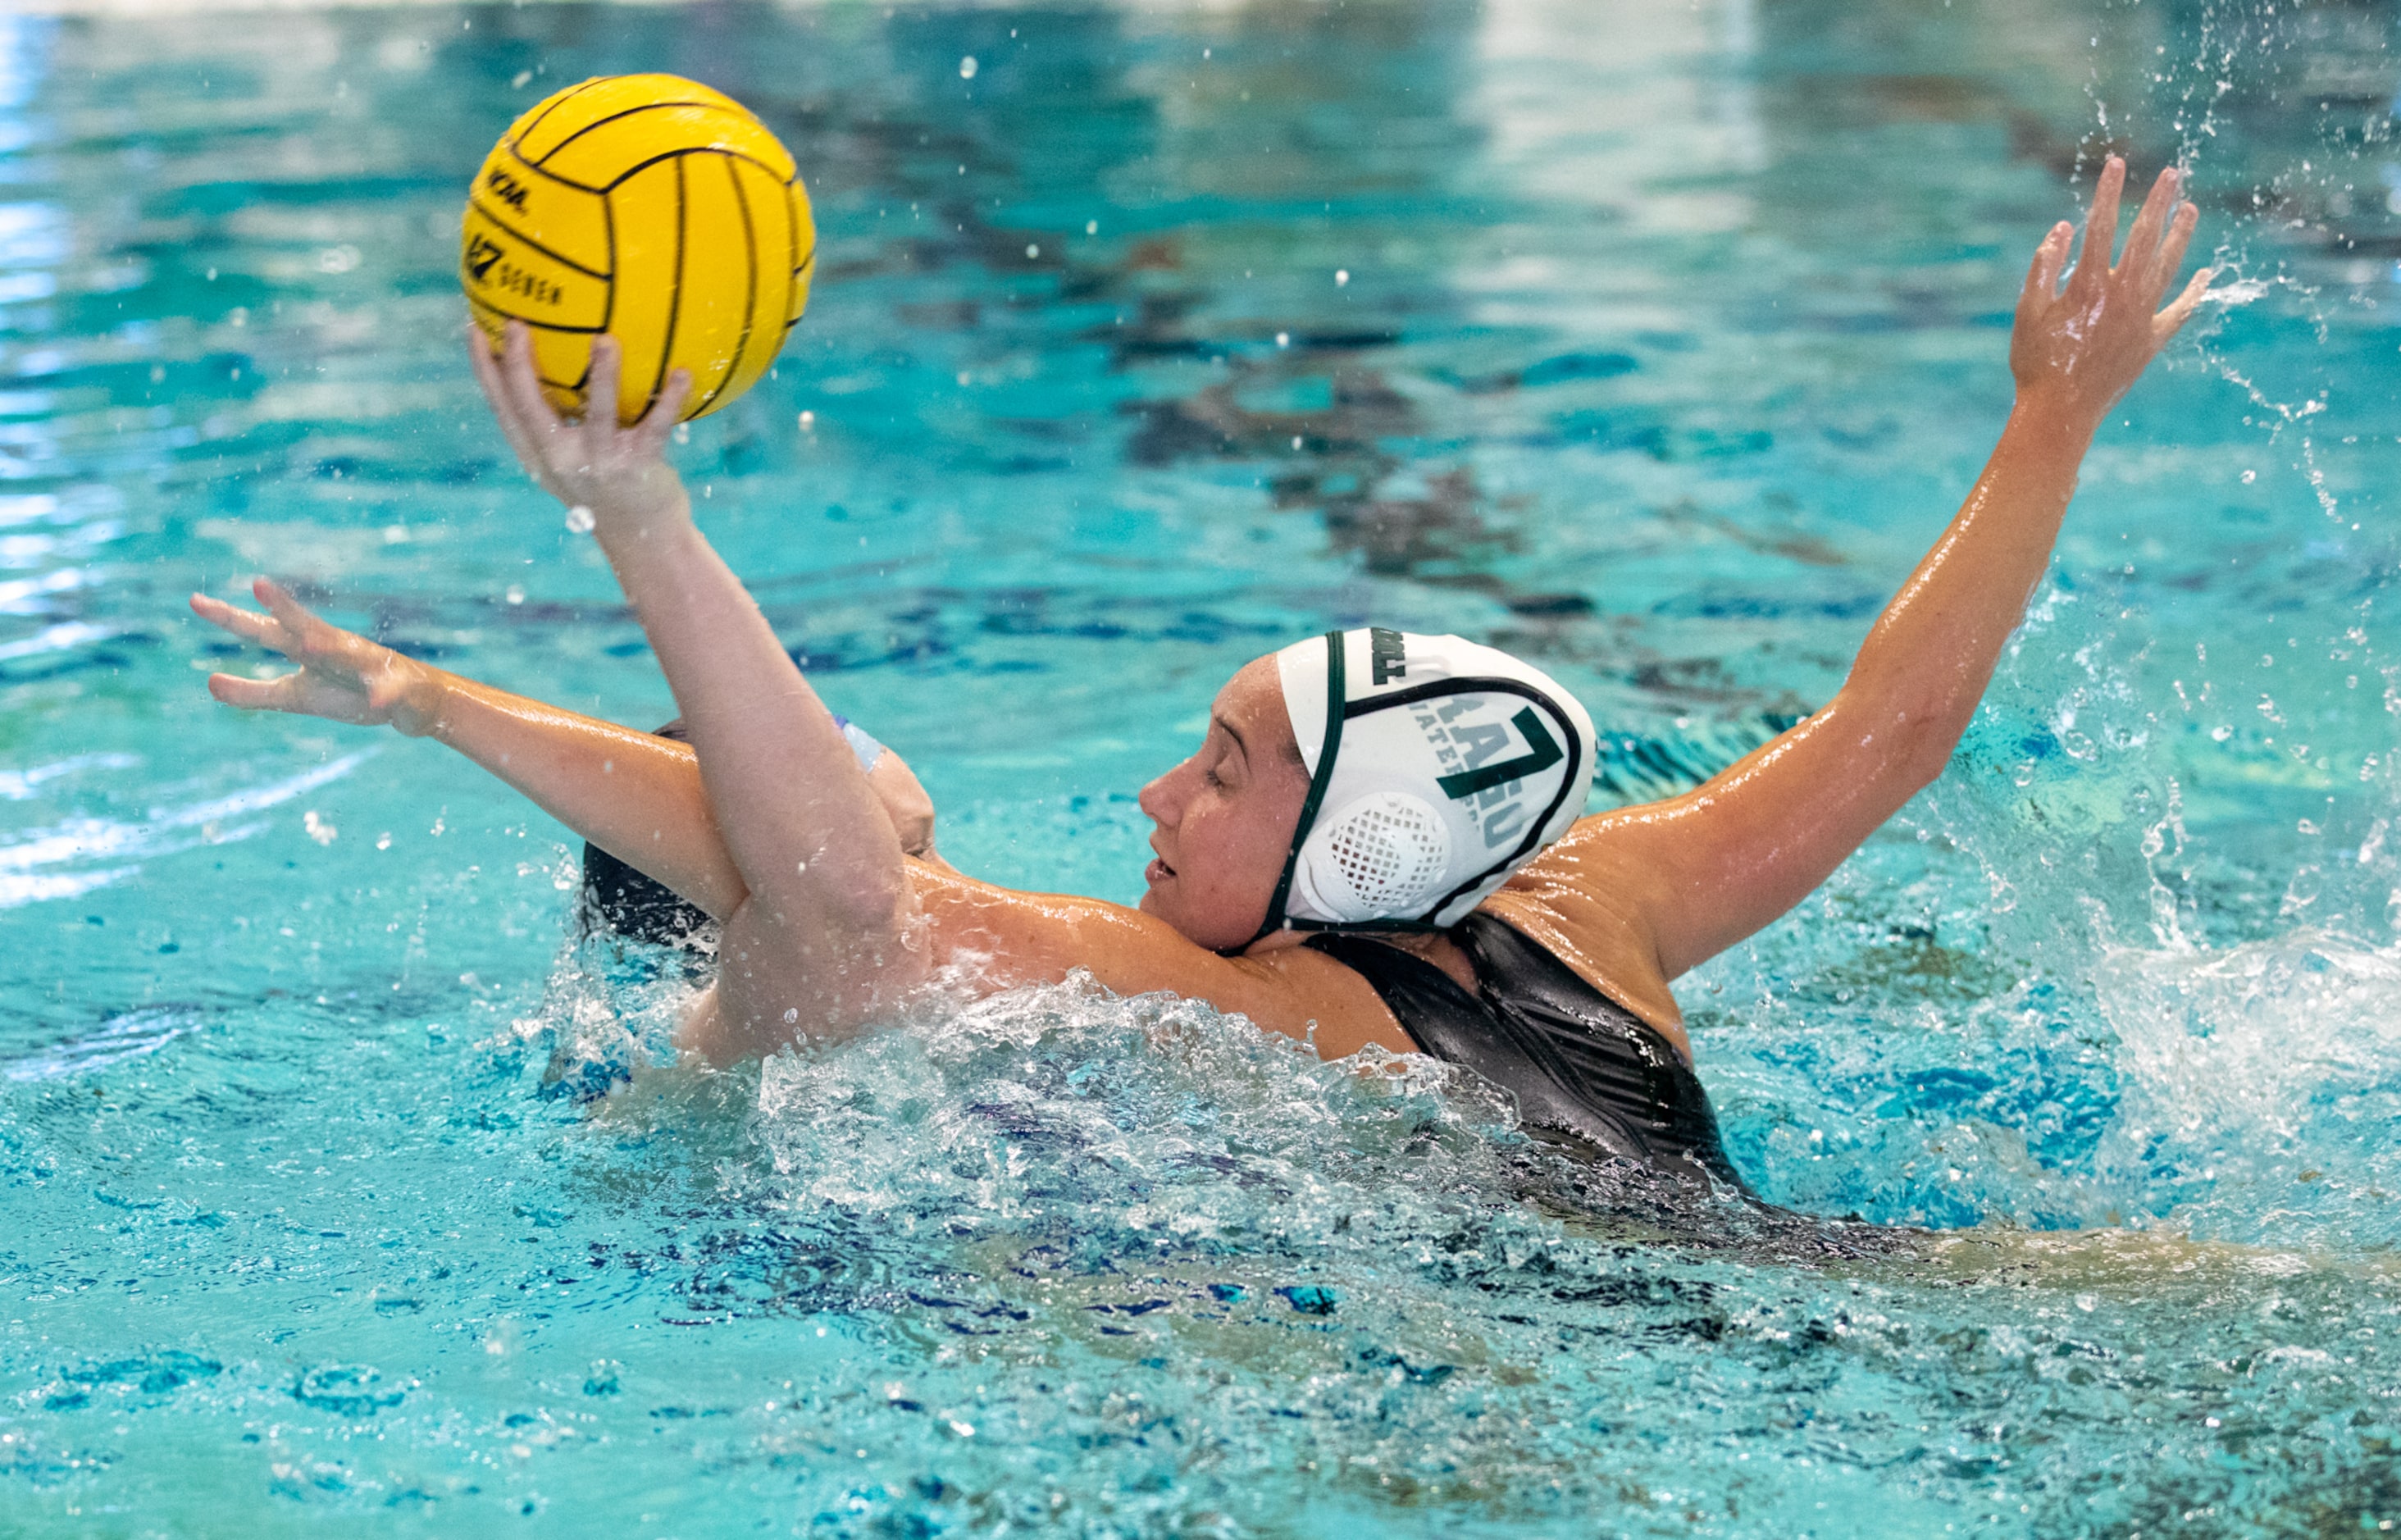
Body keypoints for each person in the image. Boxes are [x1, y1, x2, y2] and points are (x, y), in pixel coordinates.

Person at [190, 158, 2210, 1193]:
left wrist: (612, 536)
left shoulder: (1233, 1002)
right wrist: (2051, 424)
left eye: (1225, 767)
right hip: (1820, 1288)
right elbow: (1891, 734)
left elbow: (831, 884)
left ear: (1361, 843)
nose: (1158, 798)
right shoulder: (1589, 907)